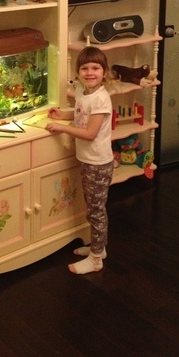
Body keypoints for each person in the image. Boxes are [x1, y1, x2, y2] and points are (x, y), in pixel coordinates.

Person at [46, 46, 114, 274]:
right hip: (88, 160)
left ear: (104, 72)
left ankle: (95, 259)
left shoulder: (101, 99)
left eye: (95, 68)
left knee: (96, 211)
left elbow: (90, 133)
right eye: (84, 68)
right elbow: (81, 116)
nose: (90, 73)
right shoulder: (83, 94)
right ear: (78, 72)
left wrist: (62, 128)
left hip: (98, 163)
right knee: (92, 207)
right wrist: (62, 115)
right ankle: (99, 249)